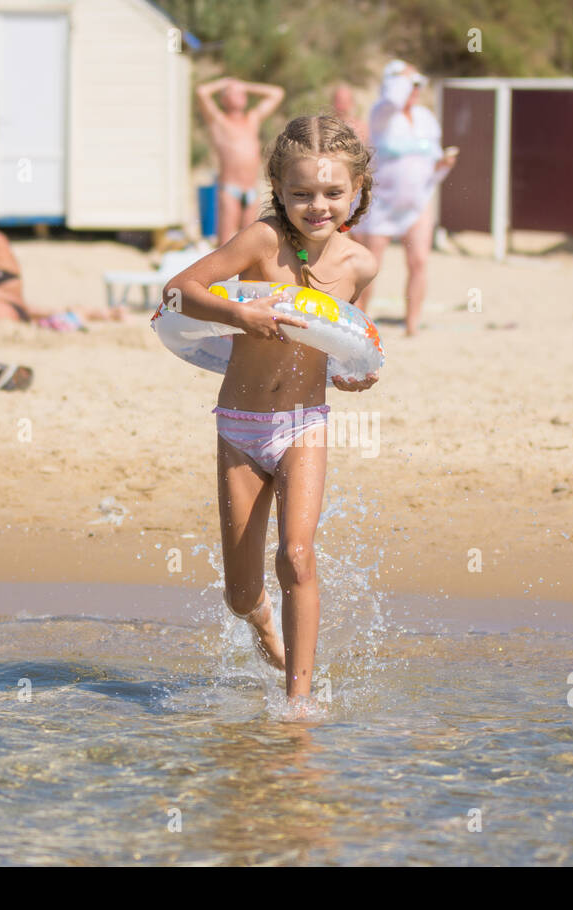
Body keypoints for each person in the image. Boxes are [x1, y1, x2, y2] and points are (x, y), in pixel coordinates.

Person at [164, 114, 380, 709]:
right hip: (240, 428)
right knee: (240, 593)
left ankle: (299, 703)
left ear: (357, 190)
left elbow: (343, 339)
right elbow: (178, 292)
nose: (317, 206)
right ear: (278, 189)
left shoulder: (360, 265)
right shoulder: (261, 241)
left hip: (305, 424)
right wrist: (243, 316)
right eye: (301, 192)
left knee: (297, 553)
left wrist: (353, 374)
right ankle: (261, 621)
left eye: (334, 193)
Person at [353, 60, 458, 336]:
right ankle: (359, 323)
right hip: (382, 203)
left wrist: (443, 165)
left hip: (418, 201)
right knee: (370, 266)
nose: (414, 90)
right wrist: (402, 77)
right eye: (409, 85)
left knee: (419, 261)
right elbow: (391, 100)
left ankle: (412, 325)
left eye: (418, 85)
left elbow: (431, 158)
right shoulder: (381, 113)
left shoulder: (425, 118)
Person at [197, 77, 285, 244]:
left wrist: (245, 86)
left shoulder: (252, 119)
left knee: (249, 242)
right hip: (230, 189)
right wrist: (225, 82)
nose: (239, 95)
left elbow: (277, 93)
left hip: (251, 189)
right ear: (223, 99)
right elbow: (202, 92)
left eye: (241, 93)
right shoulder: (219, 120)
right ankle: (225, 271)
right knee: (226, 242)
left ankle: (245, 271)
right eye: (233, 93)